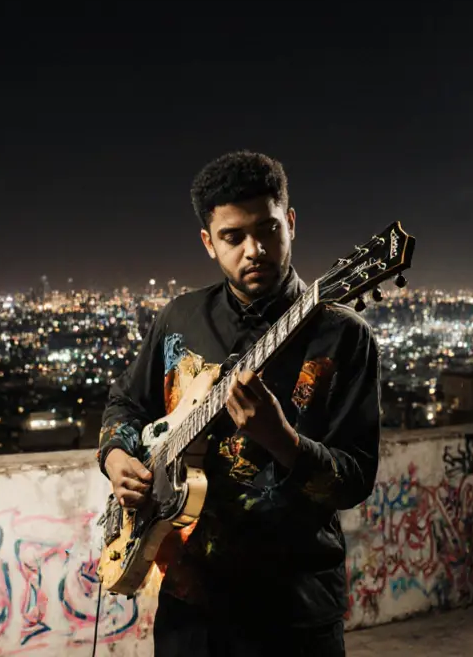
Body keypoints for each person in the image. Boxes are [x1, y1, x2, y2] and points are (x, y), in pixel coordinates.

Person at [97, 150, 383, 656]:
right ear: (209, 242)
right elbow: (125, 404)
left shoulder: (343, 337)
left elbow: (355, 479)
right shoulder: (179, 319)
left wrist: (281, 439)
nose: (254, 249)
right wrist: (117, 457)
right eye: (233, 237)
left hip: (294, 612)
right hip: (190, 606)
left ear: (290, 223)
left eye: (268, 229)